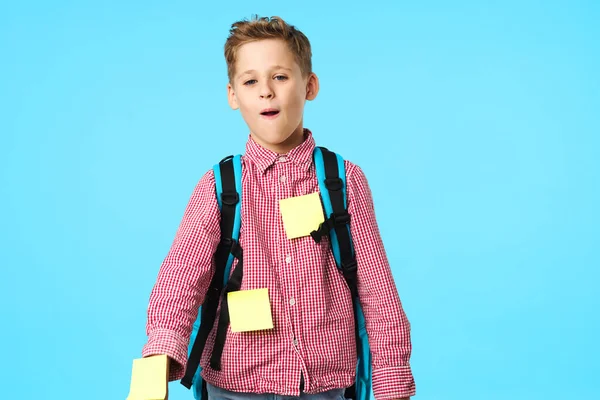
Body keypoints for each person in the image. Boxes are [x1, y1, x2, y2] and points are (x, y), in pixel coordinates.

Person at [140, 15, 416, 400]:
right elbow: (181, 278)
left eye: (280, 77)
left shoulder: (344, 180)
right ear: (233, 95)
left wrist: (391, 379)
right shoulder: (220, 187)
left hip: (324, 384)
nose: (266, 92)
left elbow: (376, 287)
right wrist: (159, 356)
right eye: (250, 81)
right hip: (236, 383)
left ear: (310, 85)